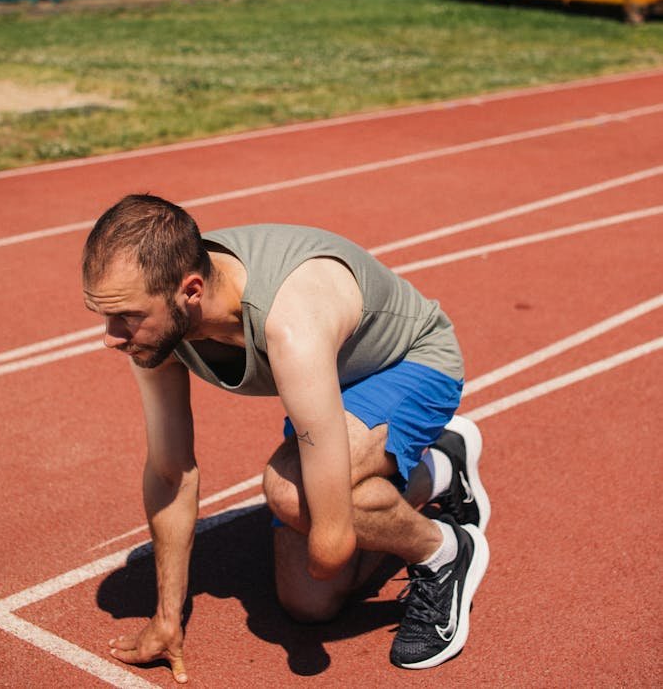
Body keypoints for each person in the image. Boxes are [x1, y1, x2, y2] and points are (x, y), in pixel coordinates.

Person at [82, 194, 491, 683]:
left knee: (290, 494)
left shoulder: (290, 321)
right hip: (324, 385)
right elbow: (171, 471)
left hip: (410, 362)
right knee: (308, 605)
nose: (110, 336)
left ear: (190, 290)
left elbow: (335, 540)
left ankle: (444, 552)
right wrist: (167, 618)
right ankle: (442, 468)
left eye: (125, 316)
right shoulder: (158, 329)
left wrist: (331, 539)